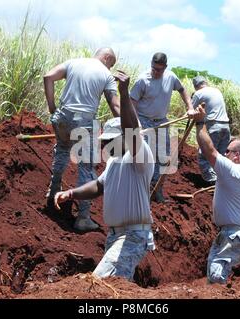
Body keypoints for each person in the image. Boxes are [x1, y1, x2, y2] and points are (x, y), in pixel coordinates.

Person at [54, 70, 156, 281]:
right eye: (103, 141)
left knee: (101, 283)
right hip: (116, 235)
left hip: (133, 235)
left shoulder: (138, 156)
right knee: (117, 286)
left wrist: (124, 93)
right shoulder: (114, 163)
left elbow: (131, 131)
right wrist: (71, 193)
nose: (104, 145)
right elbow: (98, 186)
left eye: (109, 140)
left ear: (122, 139)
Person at [43, 48, 120, 232]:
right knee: (86, 166)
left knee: (62, 151)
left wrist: (52, 107)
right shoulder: (106, 75)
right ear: (107, 58)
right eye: (111, 64)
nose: (110, 68)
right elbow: (115, 105)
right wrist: (128, 127)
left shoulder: (73, 62)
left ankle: (53, 192)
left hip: (62, 116)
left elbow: (48, 77)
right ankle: (83, 217)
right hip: (83, 122)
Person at [195, 107, 240, 283]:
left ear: (236, 155)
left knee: (217, 280)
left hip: (233, 235)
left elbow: (209, 150)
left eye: (227, 151)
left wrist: (200, 122)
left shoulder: (230, 170)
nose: (224, 154)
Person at [130, 52, 197, 203]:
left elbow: (182, 90)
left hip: (161, 122)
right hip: (144, 121)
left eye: (159, 69)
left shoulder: (171, 77)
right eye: (154, 68)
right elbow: (132, 102)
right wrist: (137, 123)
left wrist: (190, 107)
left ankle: (156, 189)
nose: (155, 72)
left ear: (165, 67)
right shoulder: (142, 80)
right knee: (146, 156)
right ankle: (141, 191)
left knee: (164, 157)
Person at [192, 76, 230, 185]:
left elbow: (190, 111)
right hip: (225, 127)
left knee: (205, 154)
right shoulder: (216, 90)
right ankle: (222, 181)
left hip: (213, 126)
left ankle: (212, 183)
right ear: (205, 82)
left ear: (196, 86)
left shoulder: (199, 93)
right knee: (220, 156)